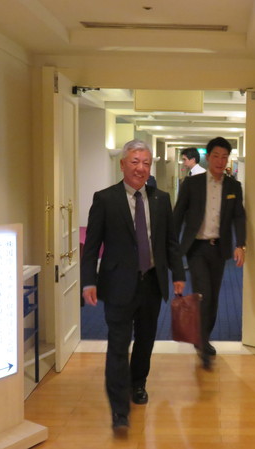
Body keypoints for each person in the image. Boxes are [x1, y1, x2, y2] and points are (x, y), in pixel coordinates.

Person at [80, 139, 185, 434]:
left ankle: (138, 383)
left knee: (146, 339)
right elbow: (92, 246)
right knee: (118, 345)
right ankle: (119, 410)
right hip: (117, 285)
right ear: (123, 164)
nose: (141, 168)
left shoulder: (161, 199)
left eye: (146, 163)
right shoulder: (105, 199)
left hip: (151, 282)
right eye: (135, 162)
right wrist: (88, 281)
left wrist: (178, 273)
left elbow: (170, 242)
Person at [173, 136, 246, 369]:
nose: (220, 161)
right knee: (203, 294)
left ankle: (202, 337)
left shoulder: (233, 186)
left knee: (213, 298)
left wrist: (240, 244)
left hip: (219, 249)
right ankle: (203, 343)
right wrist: (172, 247)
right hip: (197, 248)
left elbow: (239, 216)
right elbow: (178, 214)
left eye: (224, 157)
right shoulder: (192, 184)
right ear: (209, 157)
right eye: (216, 156)